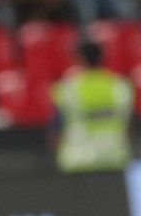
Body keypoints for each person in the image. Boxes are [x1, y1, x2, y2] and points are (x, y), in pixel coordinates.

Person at [50, 41, 134, 173]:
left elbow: (55, 131)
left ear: (79, 59)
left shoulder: (67, 89)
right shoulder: (120, 87)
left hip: (77, 161)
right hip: (113, 159)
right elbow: (129, 127)